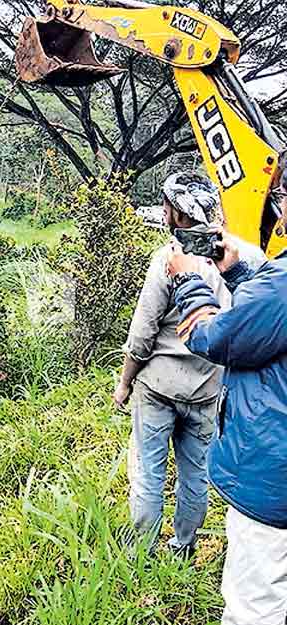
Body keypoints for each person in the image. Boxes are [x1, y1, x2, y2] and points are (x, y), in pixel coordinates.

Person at [168, 167, 287, 624]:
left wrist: (190, 281)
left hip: (272, 479)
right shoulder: (272, 284)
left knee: (253, 608)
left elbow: (214, 337)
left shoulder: (278, 286)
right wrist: (240, 272)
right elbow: (269, 321)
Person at [113, 172, 230, 559]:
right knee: (195, 475)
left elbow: (143, 332)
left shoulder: (168, 260)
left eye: (166, 205)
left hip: (158, 388)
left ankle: (142, 553)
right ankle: (183, 548)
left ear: (176, 215)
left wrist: (125, 383)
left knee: (148, 474)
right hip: (208, 389)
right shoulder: (229, 259)